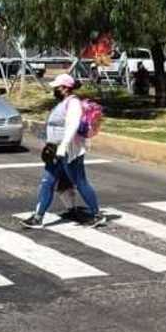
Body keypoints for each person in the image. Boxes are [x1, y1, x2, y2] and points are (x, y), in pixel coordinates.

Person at [21, 74, 107, 229]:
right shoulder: (62, 103)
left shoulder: (73, 103)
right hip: (55, 150)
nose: (54, 90)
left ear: (65, 88)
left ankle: (97, 215)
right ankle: (38, 217)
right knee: (47, 182)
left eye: (57, 87)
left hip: (69, 151)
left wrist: (63, 146)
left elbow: (73, 125)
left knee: (80, 182)